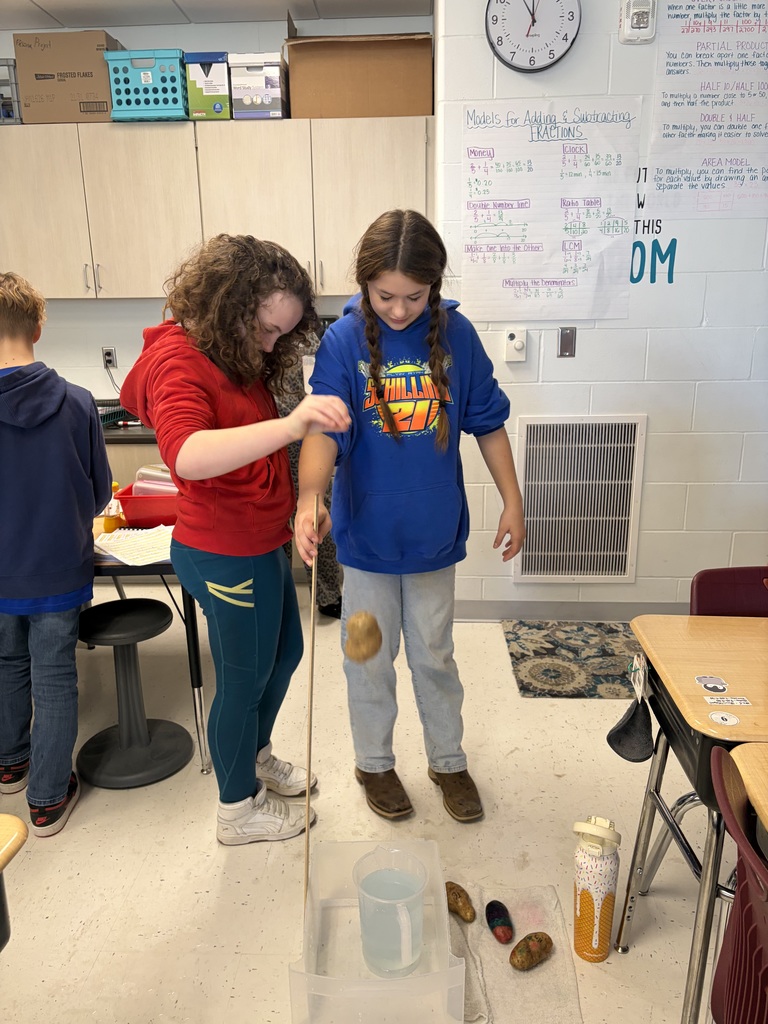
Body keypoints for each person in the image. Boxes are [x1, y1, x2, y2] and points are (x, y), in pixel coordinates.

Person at [295, 210, 525, 823]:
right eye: (385, 296)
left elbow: (489, 422)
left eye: (414, 297)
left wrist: (513, 498)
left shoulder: (459, 336)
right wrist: (308, 497)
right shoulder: (344, 341)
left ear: (436, 285)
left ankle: (447, 760)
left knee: (434, 655)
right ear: (365, 285)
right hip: (365, 542)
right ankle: (374, 762)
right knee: (368, 658)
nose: (399, 310)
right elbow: (320, 428)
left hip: (431, 540)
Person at [120, 235, 350, 846]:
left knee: (286, 655)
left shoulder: (234, 355)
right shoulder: (179, 360)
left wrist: (302, 507)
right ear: (231, 305)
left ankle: (255, 755)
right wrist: (293, 421)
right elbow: (188, 455)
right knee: (243, 682)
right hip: (221, 551)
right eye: (267, 329)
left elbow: (253, 453)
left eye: (284, 334)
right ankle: (235, 811)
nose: (273, 344)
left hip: (258, 541)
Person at [0, 271, 112, 837]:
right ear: (39, 328)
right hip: (59, 567)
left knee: (5, 665)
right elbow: (99, 493)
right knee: (53, 675)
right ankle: (46, 800)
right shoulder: (77, 402)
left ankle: (10, 764)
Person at [275, 329, 343, 619]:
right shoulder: (251, 340)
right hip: (268, 438)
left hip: (309, 439)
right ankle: (278, 595)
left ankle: (327, 595)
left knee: (315, 518)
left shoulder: (311, 340)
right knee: (277, 520)